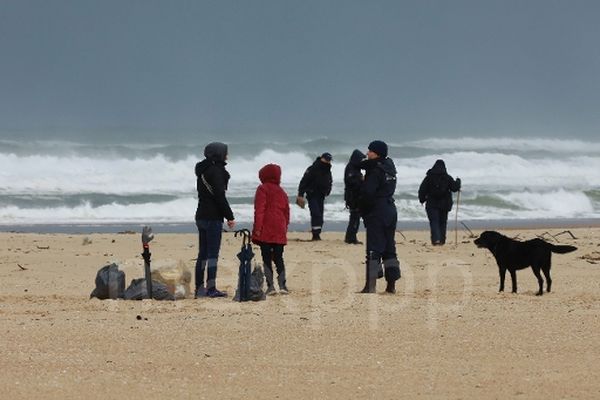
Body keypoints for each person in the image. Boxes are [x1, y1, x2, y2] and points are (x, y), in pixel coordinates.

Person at [358, 140, 401, 294]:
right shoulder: (390, 168)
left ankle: (370, 286)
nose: (367, 153)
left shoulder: (375, 170)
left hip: (378, 210)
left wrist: (363, 208)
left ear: (376, 153)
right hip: (390, 209)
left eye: (370, 151)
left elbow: (368, 193)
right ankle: (391, 286)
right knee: (389, 248)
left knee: (373, 248)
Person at [194, 142, 235, 298]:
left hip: (201, 216)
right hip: (212, 218)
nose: (227, 155)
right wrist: (230, 216)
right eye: (226, 152)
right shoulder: (216, 172)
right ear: (219, 154)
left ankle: (199, 288)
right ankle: (211, 289)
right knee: (212, 255)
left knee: (202, 254)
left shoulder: (202, 170)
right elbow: (219, 196)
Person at [251, 164, 290, 295]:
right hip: (280, 229)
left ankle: (271, 286)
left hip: (266, 230)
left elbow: (259, 210)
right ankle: (283, 285)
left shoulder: (262, 189)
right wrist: (285, 228)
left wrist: (257, 229)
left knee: (266, 258)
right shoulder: (282, 191)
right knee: (279, 258)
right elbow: (286, 213)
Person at [418, 159, 461, 246]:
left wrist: (422, 199)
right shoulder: (447, 177)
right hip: (444, 204)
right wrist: (458, 181)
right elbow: (454, 188)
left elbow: (422, 190)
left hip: (431, 203)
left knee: (434, 221)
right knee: (443, 222)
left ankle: (436, 240)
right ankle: (442, 240)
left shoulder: (428, 177)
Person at [296, 152, 333, 241]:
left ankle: (317, 233)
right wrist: (300, 194)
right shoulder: (312, 168)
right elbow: (304, 181)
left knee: (320, 215)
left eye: (329, 160)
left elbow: (330, 181)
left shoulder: (328, 170)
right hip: (312, 194)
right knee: (316, 213)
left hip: (321, 195)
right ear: (322, 158)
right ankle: (315, 235)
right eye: (326, 159)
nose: (328, 162)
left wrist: (328, 190)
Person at [344, 149, 365, 244]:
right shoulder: (351, 168)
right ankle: (351, 238)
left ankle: (351, 236)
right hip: (353, 197)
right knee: (354, 217)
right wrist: (361, 179)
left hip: (355, 196)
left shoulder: (355, 168)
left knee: (355, 217)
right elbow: (351, 182)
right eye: (361, 159)